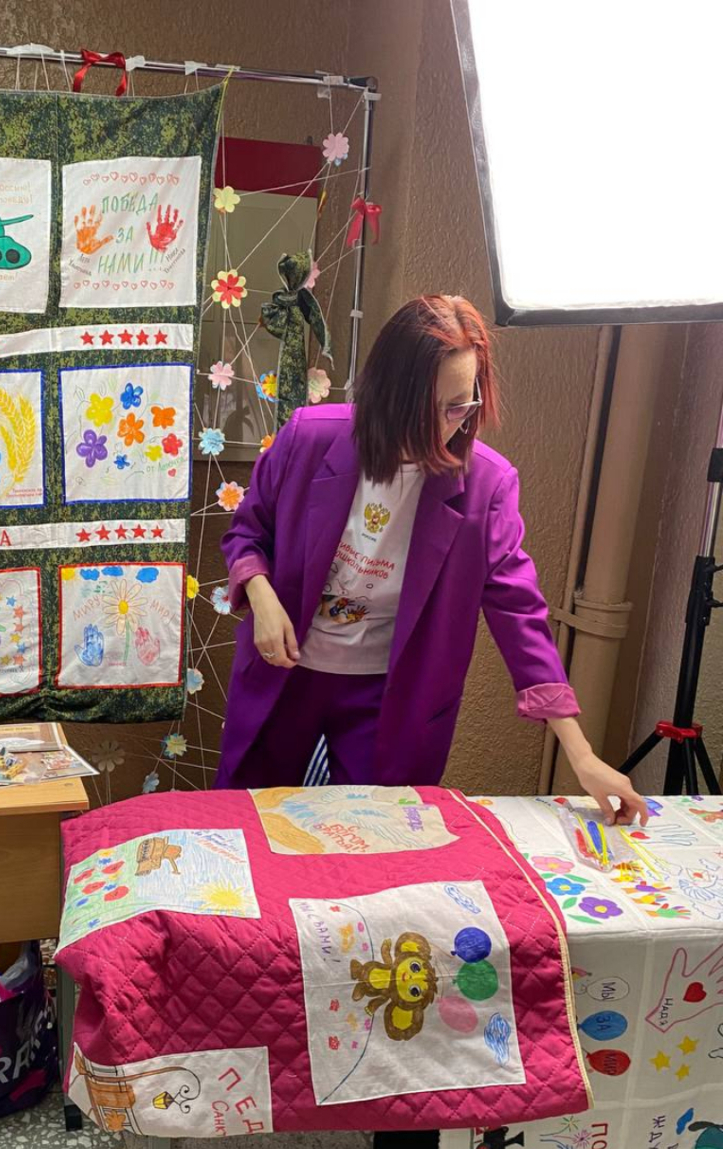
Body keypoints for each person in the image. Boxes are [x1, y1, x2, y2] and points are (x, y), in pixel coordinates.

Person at [215, 294, 647, 826]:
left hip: (388, 696)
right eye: (424, 407)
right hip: (286, 673)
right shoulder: (308, 438)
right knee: (245, 820)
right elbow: (248, 533)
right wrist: (261, 596)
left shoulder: (485, 485)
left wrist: (581, 754)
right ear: (386, 391)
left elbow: (519, 612)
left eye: (458, 406)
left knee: (380, 834)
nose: (442, 425)